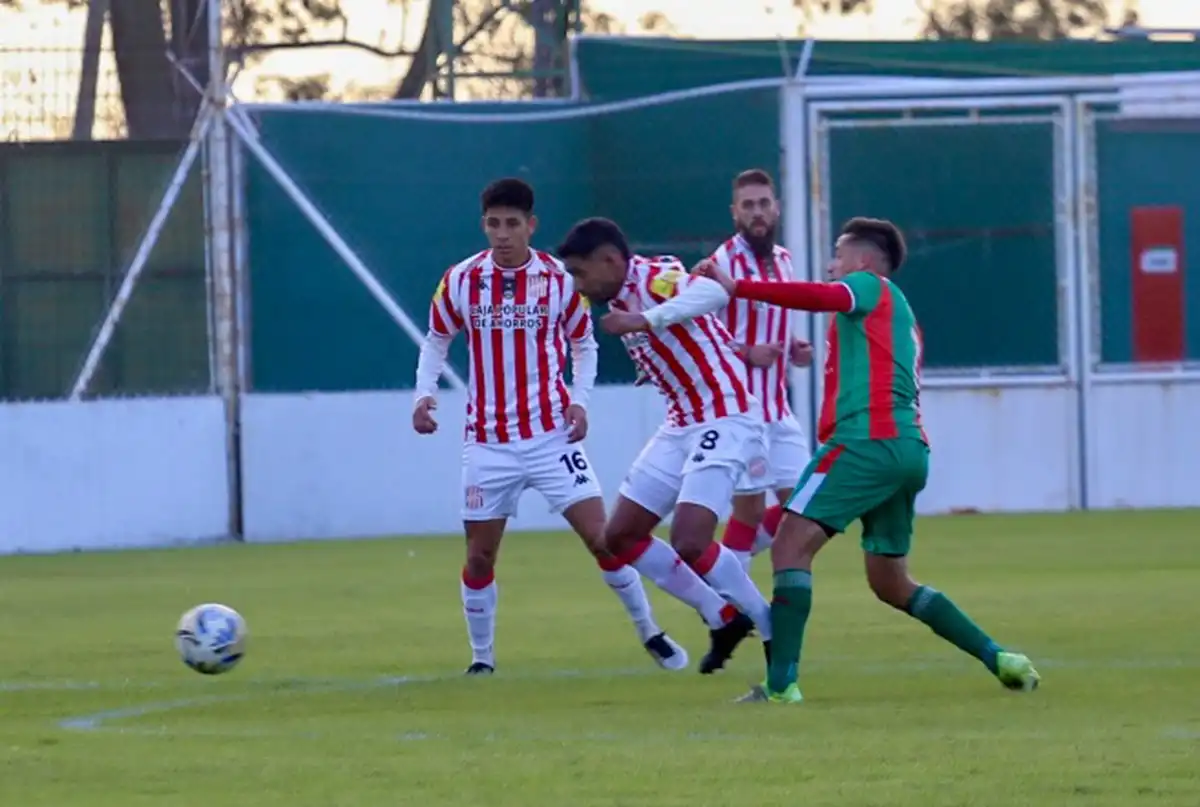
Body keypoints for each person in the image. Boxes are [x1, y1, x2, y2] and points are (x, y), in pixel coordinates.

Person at [695, 216, 1041, 703]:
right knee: (890, 582)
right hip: (907, 450)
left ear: (861, 260)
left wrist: (736, 286)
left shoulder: (869, 285)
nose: (832, 266)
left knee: (790, 546)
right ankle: (1001, 658)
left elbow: (820, 296)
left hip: (864, 442)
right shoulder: (903, 318)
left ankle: (780, 686)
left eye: (837, 256)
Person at [413, 179, 687, 675]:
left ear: (530, 226)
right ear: (484, 226)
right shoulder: (460, 280)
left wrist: (580, 403)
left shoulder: (560, 279)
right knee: (480, 555)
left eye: (512, 224)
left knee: (603, 539)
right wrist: (424, 394)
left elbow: (584, 345)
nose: (502, 234)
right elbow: (436, 338)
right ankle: (482, 659)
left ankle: (651, 632)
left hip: (550, 436)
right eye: (493, 224)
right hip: (488, 442)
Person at [556, 216, 773, 675]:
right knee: (618, 537)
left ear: (611, 260)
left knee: (690, 539)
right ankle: (722, 617)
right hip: (681, 423)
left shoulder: (654, 277)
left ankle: (770, 624)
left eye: (580, 272)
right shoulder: (615, 299)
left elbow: (714, 293)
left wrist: (643, 319)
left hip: (726, 412)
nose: (578, 285)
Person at [706, 169, 814, 572]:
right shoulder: (720, 263)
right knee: (748, 511)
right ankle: (733, 603)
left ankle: (721, 571)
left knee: (806, 506)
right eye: (748, 205)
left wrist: (794, 347)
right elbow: (700, 330)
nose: (757, 213)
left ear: (777, 208)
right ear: (735, 213)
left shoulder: (784, 260)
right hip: (741, 412)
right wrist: (745, 351)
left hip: (779, 410)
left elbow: (774, 322)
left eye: (764, 203)